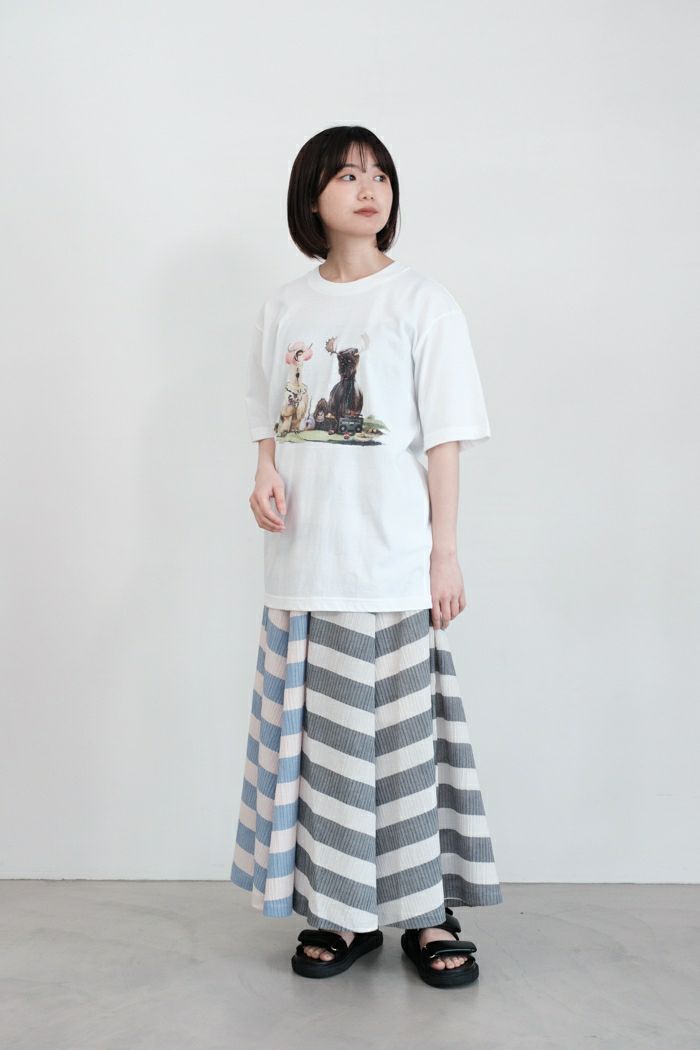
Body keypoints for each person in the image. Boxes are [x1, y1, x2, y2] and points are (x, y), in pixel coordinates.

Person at [230, 125, 503, 988]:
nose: (368, 187)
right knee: (325, 753)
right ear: (312, 196)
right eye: (347, 175)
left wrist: (445, 555)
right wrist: (265, 472)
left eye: (379, 173)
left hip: (389, 564)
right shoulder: (285, 307)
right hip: (305, 567)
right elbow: (269, 417)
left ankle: (427, 913)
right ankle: (341, 912)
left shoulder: (422, 302)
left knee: (404, 749)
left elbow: (445, 441)